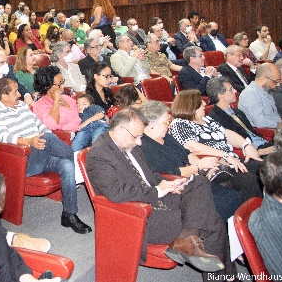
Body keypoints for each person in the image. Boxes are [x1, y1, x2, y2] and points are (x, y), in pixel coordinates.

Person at [86, 108, 235, 276]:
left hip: (157, 198)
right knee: (211, 221)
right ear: (120, 130)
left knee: (199, 182)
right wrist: (157, 191)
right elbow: (116, 192)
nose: (140, 142)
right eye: (137, 136)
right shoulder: (99, 154)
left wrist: (169, 183)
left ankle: (187, 238)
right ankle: (220, 271)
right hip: (140, 214)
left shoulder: (130, 143)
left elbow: (149, 174)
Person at [0, 77, 92, 233]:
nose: (19, 95)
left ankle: (69, 214)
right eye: (15, 92)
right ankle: (82, 163)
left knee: (67, 165)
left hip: (42, 151)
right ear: (4, 95)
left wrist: (48, 141)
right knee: (49, 139)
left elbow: (41, 126)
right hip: (23, 160)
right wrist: (30, 141)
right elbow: (3, 137)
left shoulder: (22, 106)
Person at [139, 101, 243, 220]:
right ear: (152, 124)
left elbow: (187, 154)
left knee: (234, 192)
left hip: (194, 178)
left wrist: (204, 166)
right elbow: (173, 173)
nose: (168, 125)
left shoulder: (166, 136)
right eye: (166, 122)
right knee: (228, 199)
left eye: (169, 120)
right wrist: (199, 166)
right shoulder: (145, 146)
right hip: (179, 188)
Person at [167, 89, 263, 201]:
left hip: (232, 160)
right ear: (191, 105)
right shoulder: (179, 123)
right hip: (217, 166)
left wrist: (246, 145)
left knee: (267, 168)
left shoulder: (206, 119)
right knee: (251, 181)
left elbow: (227, 133)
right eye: (200, 101)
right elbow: (192, 146)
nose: (204, 103)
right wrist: (225, 155)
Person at [206, 77, 274, 153]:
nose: (235, 91)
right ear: (220, 95)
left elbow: (252, 131)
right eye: (231, 89)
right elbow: (232, 144)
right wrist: (261, 151)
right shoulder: (215, 118)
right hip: (253, 151)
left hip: (265, 144)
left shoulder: (238, 112)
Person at [238, 63, 282, 128]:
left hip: (279, 129)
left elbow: (275, 120)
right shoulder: (250, 95)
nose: (278, 85)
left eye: (279, 81)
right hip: (267, 134)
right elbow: (261, 123)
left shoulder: (267, 90)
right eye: (276, 81)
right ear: (263, 79)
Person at [32, 65, 81, 134]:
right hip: (66, 137)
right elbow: (52, 125)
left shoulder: (65, 97)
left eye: (62, 82)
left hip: (81, 128)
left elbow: (77, 113)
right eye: (59, 84)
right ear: (47, 87)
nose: (63, 86)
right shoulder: (40, 105)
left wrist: (61, 100)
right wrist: (56, 101)